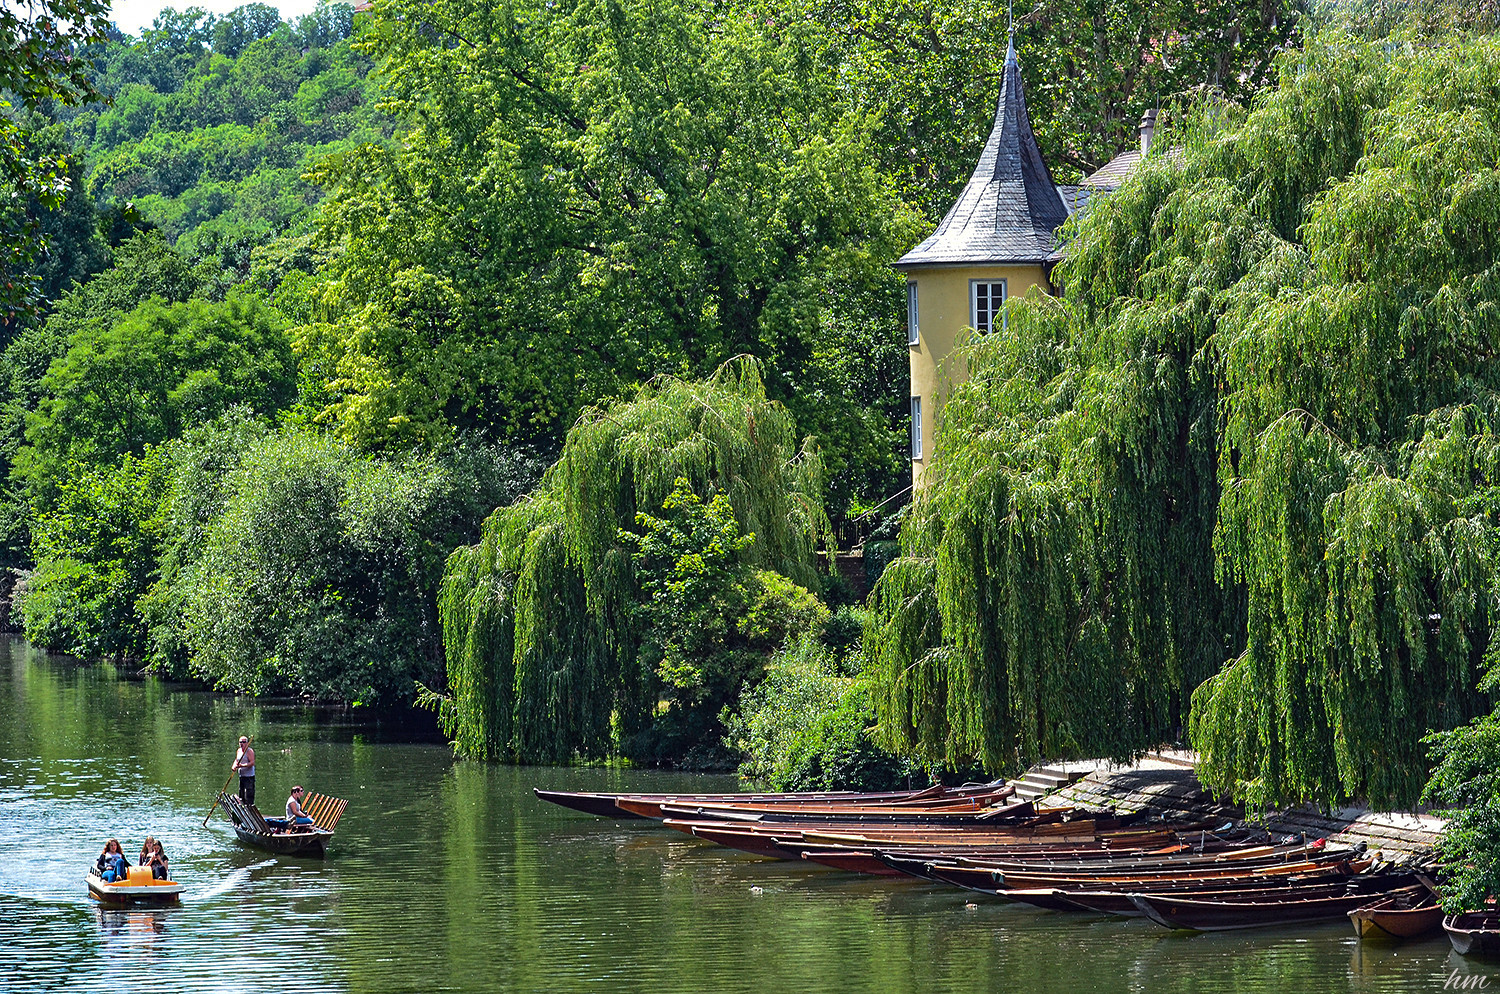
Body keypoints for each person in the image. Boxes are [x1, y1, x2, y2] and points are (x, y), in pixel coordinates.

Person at [232, 735, 255, 806]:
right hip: (242, 775)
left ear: (247, 743)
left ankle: (250, 809)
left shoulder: (249, 751)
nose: (242, 743)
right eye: (240, 742)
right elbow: (237, 760)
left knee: (249, 794)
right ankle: (243, 808)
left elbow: (252, 763)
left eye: (243, 742)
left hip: (249, 776)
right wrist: (234, 766)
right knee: (241, 794)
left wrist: (242, 765)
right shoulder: (239, 751)